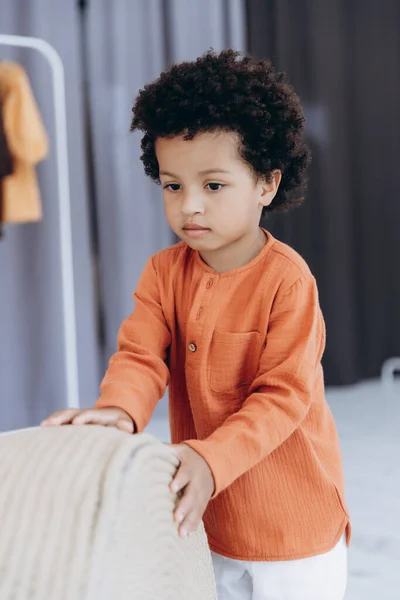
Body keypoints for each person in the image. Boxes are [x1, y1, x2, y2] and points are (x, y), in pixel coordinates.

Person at [42, 49, 350, 600]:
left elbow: (283, 396)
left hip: (293, 526)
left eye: (212, 186)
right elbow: (139, 356)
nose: (189, 207)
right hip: (206, 518)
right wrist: (117, 413)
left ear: (266, 185)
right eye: (172, 185)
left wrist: (211, 459)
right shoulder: (163, 273)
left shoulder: (289, 281)